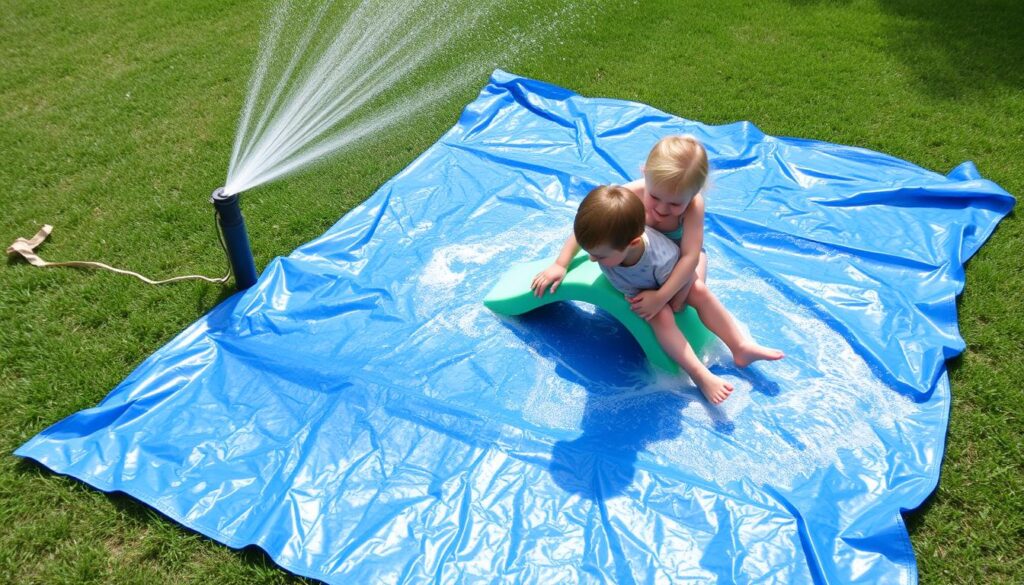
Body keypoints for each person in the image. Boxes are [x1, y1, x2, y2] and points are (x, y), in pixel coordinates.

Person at [531, 136, 783, 403]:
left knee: (691, 296)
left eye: (675, 204)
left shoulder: (694, 206)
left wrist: (663, 294)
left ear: (694, 194)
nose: (663, 209)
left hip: (681, 262)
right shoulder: (634, 192)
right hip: (635, 263)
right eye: (655, 197)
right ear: (645, 175)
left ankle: (739, 346)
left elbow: (690, 256)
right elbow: (592, 227)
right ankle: (699, 375)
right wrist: (561, 264)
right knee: (663, 316)